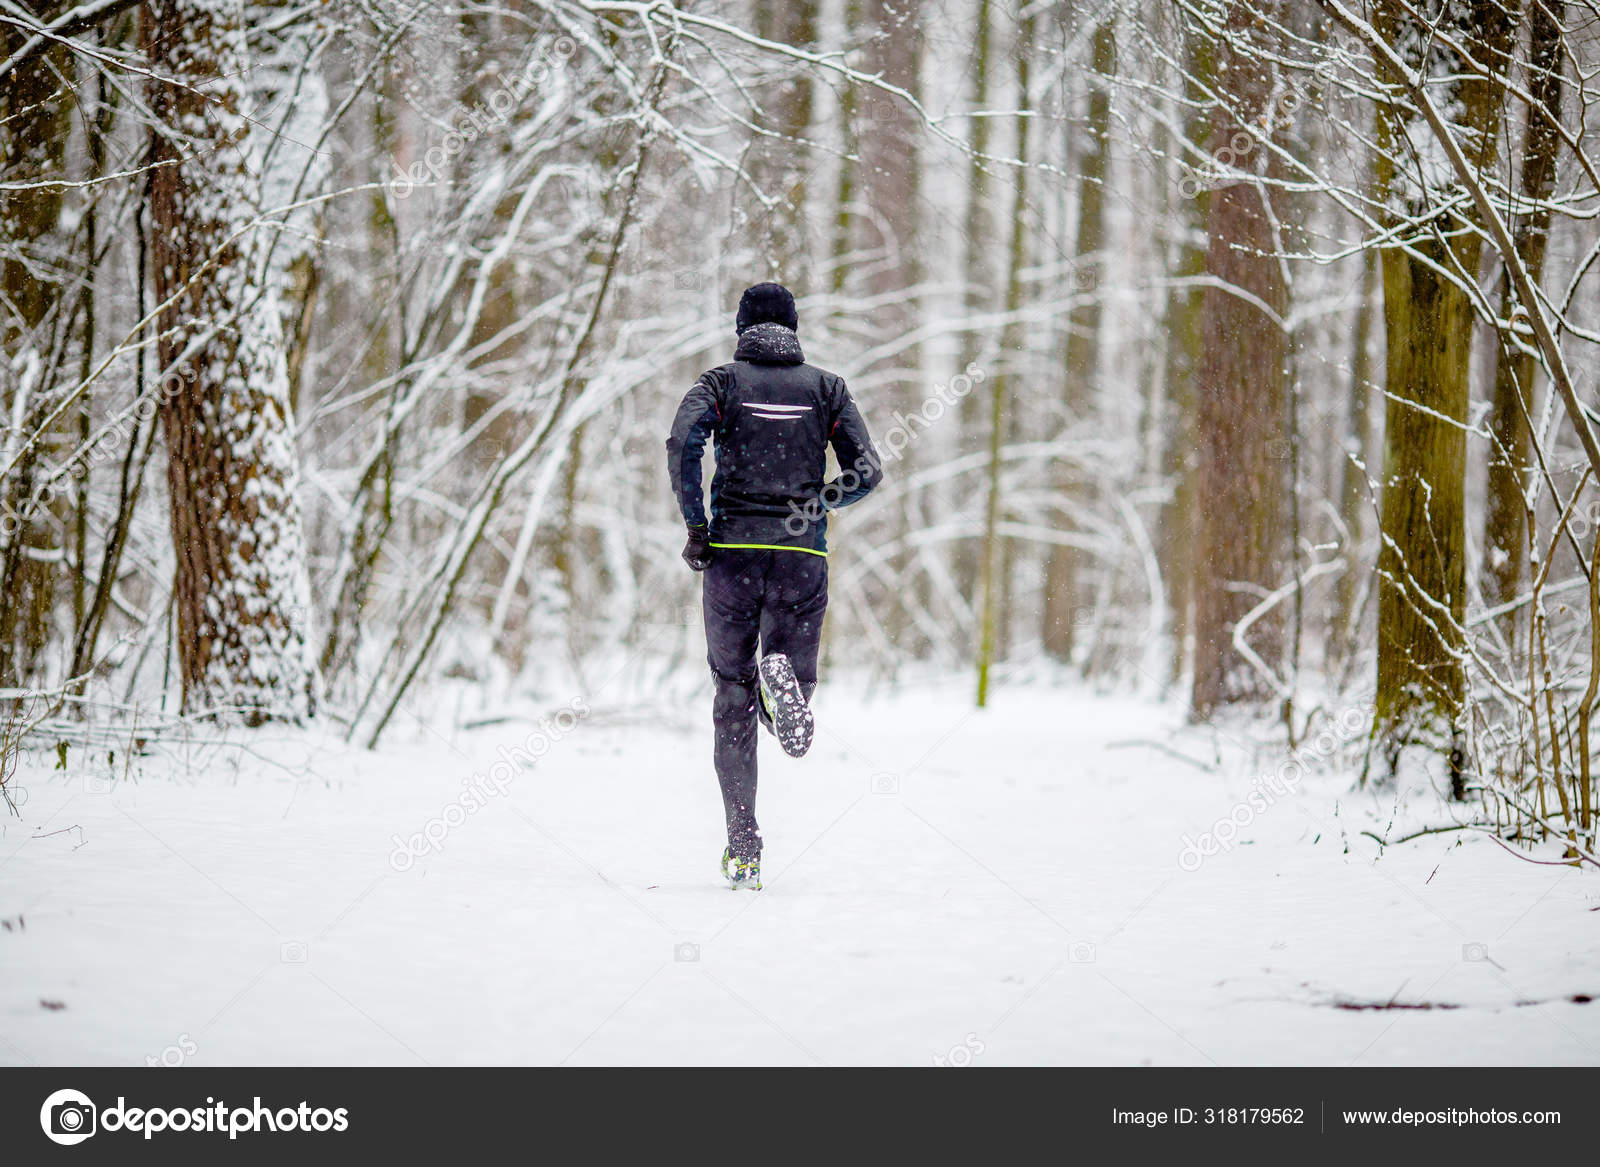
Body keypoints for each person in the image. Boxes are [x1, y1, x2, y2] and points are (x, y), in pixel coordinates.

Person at [666, 282, 883, 890]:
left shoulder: (721, 384)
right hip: (798, 552)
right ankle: (784, 686)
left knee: (730, 692)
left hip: (731, 553)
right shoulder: (826, 388)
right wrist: (819, 502)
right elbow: (867, 469)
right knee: (793, 677)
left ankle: (743, 844)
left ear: (741, 330)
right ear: (793, 328)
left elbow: (682, 443)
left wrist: (697, 526)